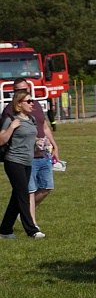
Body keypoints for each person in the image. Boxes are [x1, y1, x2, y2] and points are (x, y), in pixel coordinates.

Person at [2, 78, 61, 231]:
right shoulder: (9, 112)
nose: (24, 94)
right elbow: (3, 138)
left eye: (25, 90)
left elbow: (44, 126)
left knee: (46, 187)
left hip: (43, 153)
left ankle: (15, 218)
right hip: (23, 156)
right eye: (17, 91)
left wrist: (53, 143)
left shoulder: (34, 108)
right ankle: (32, 226)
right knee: (27, 191)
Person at [0, 90, 45, 239]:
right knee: (23, 194)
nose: (33, 103)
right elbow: (1, 140)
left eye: (32, 100)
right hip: (13, 161)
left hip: (27, 161)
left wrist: (38, 142)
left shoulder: (31, 119)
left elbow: (30, 137)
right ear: (19, 104)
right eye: (29, 101)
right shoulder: (11, 119)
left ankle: (5, 230)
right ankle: (31, 230)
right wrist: (12, 127)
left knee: (17, 195)